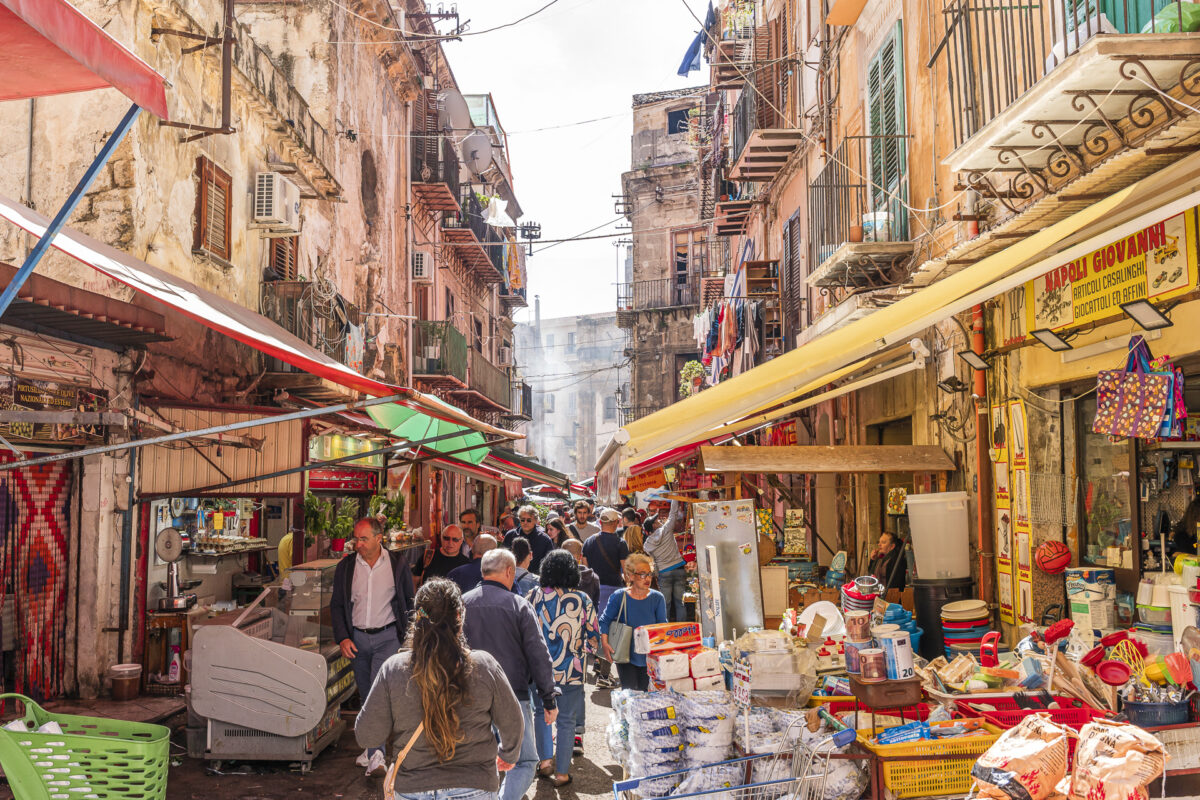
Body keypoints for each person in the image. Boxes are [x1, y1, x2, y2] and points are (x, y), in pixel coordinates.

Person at [355, 578, 523, 800]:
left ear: (418, 619)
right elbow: (513, 722)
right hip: (475, 786)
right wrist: (508, 755)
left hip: (412, 788)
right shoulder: (484, 665)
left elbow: (367, 736)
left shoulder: (394, 669)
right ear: (459, 618)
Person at [462, 549, 558, 800]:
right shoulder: (518, 605)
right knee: (525, 760)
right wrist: (548, 698)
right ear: (509, 572)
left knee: (479, 759)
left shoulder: (461, 603)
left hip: (468, 698)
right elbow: (539, 655)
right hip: (514, 697)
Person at [331, 517, 416, 775]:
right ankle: (370, 748)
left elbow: (408, 601)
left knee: (376, 695)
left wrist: (408, 636)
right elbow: (337, 604)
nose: (358, 544)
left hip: (387, 637)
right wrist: (343, 637)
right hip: (357, 640)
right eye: (356, 538)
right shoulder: (346, 567)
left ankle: (377, 755)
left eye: (363, 538)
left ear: (379, 538)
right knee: (366, 692)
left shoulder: (397, 564)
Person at [525, 550, 598, 788]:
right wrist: (581, 648)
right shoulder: (582, 599)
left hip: (539, 669)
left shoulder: (533, 596)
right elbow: (594, 638)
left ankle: (545, 761)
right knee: (567, 720)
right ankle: (563, 774)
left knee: (541, 714)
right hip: (572, 670)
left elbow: (523, 631)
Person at [599, 553, 666, 691]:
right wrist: (605, 644)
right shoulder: (619, 596)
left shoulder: (658, 598)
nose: (647, 578)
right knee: (630, 693)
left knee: (645, 694)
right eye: (642, 574)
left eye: (649, 574)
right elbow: (604, 621)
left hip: (649, 657)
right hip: (625, 655)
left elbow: (662, 627)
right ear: (630, 576)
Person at [581, 508, 629, 688]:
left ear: (600, 522)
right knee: (609, 629)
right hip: (613, 590)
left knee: (594, 625)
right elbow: (625, 570)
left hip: (593, 589)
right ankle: (604, 674)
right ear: (616, 523)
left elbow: (585, 568)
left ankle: (597, 663)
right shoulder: (620, 543)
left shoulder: (588, 541)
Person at [559, 538, 595, 753]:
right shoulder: (590, 584)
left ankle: (547, 751)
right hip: (576, 653)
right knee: (577, 693)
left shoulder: (540, 593)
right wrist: (589, 649)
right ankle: (576, 734)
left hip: (549, 654)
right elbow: (593, 625)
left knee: (547, 696)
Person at [642, 500, 688, 622]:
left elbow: (653, 562)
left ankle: (666, 629)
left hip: (664, 572)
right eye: (656, 521)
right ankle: (682, 629)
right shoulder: (666, 529)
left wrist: (657, 575)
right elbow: (673, 513)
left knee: (665, 604)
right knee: (680, 602)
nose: (658, 521)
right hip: (678, 568)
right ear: (653, 526)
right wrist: (674, 496)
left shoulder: (647, 545)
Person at [504, 505, 555, 573]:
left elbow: (550, 563)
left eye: (529, 520)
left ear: (535, 521)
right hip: (512, 576)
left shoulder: (544, 539)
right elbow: (503, 558)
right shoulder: (510, 535)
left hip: (536, 579)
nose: (525, 522)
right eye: (523, 520)